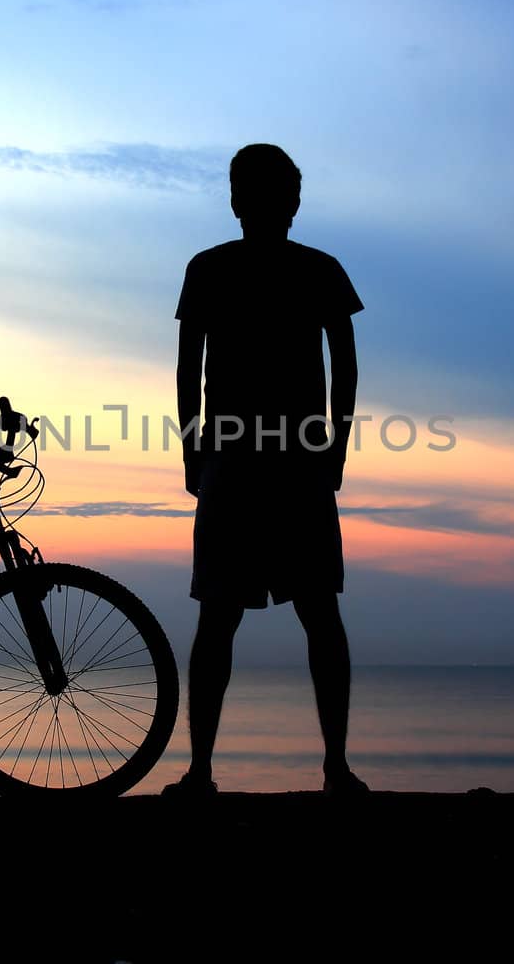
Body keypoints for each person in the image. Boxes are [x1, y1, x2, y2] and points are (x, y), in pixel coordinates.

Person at [165, 143, 368, 797]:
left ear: (236, 198)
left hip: (254, 459)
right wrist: (332, 447)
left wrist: (195, 450)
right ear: (291, 202)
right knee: (301, 612)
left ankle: (208, 770)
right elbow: (346, 368)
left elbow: (187, 371)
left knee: (236, 615)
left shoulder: (218, 268)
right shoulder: (310, 269)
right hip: (284, 459)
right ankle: (326, 766)